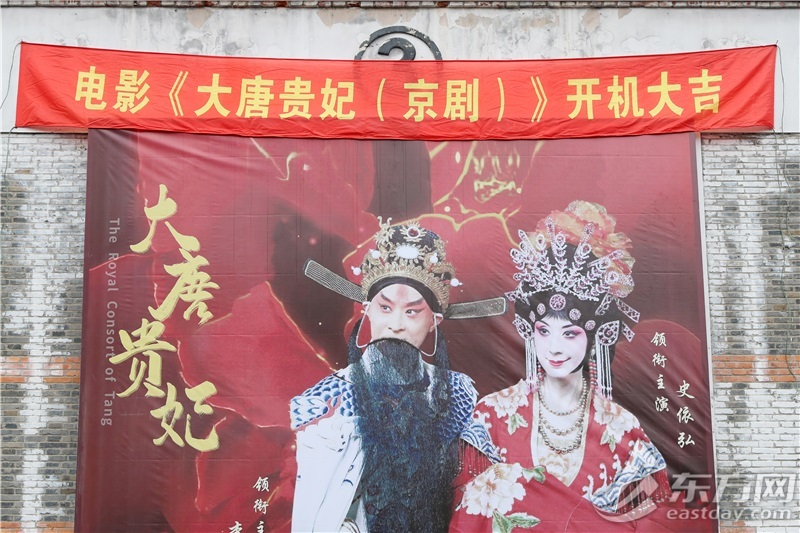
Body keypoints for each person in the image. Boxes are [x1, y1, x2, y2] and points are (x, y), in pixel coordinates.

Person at [452, 201, 673, 532]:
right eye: (544, 331)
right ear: (529, 331)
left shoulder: (621, 429)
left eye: (570, 333)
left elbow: (646, 520)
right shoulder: (492, 417)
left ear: (598, 335)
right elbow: (468, 518)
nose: (554, 347)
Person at [290, 220, 506, 533]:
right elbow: (314, 510)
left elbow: (479, 496)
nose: (396, 324)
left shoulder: (459, 393)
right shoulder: (328, 399)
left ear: (434, 321)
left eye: (412, 311)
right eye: (385, 308)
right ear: (367, 310)